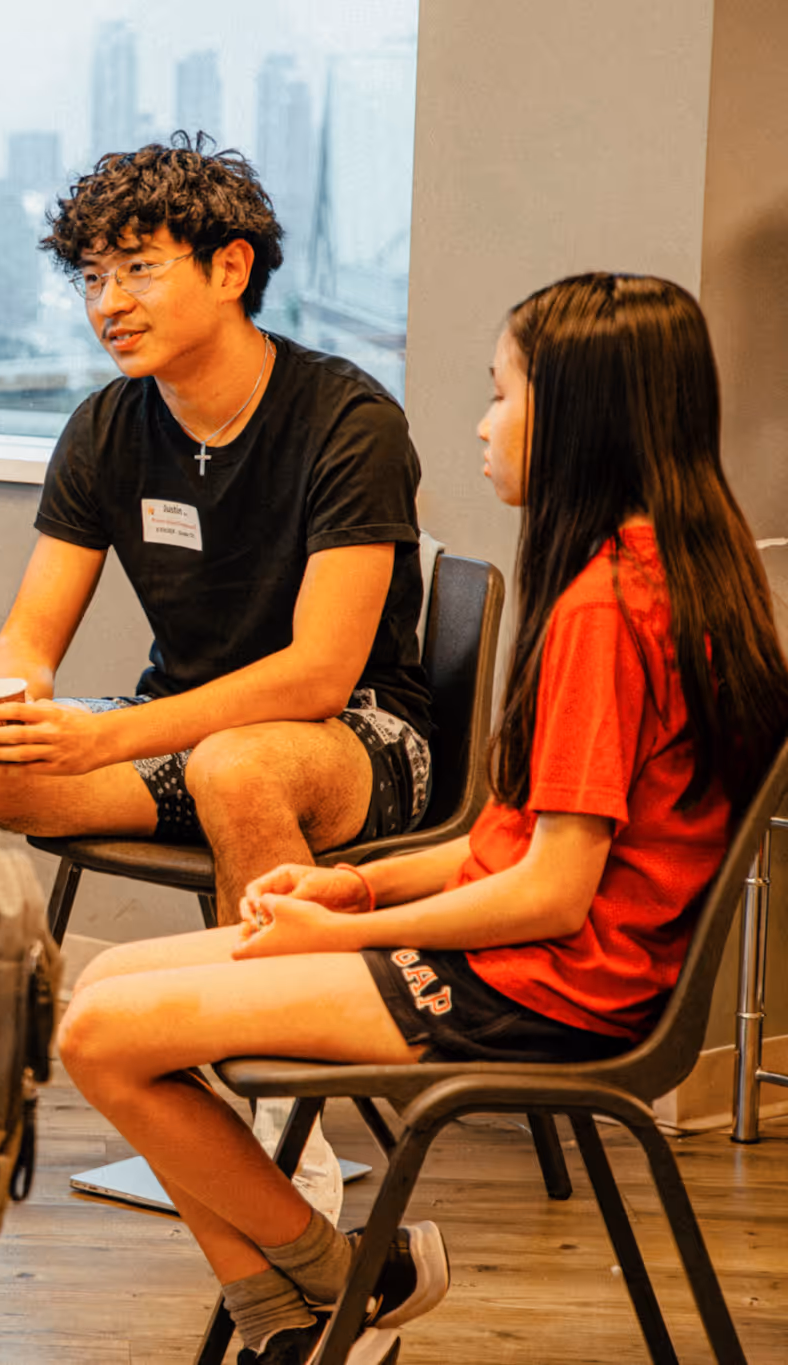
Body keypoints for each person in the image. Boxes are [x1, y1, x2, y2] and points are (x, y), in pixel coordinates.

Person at [53, 272, 788, 1364]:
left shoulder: (604, 609)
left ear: (574, 417)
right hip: (541, 963)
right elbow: (505, 840)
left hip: (553, 988)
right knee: (102, 984)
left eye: (499, 395)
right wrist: (349, 886)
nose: (481, 425)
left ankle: (338, 1288)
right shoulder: (655, 565)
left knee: (97, 1033)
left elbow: (550, 891)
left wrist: (338, 932)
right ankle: (306, 1321)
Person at [0, 132, 433, 1215]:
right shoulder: (108, 426)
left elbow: (316, 672)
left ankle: (275, 1128)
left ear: (229, 268)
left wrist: (104, 735)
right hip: (180, 735)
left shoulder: (346, 421)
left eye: (137, 267)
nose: (107, 300)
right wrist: (1, 709)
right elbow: (30, 636)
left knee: (237, 769)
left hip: (360, 735)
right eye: (91, 276)